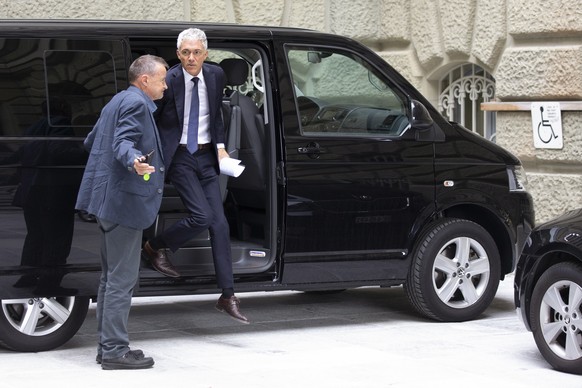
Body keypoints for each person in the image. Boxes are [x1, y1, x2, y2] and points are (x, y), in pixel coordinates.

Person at [142, 28, 249, 324]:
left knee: (220, 225)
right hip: (178, 157)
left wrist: (221, 147)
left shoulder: (215, 76)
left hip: (207, 157)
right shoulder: (169, 79)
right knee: (201, 217)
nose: (191, 58)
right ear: (178, 54)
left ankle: (228, 296)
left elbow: (214, 114)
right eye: (186, 52)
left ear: (206, 53)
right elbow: (150, 115)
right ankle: (153, 246)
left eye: (197, 52)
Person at [75, 54, 168, 370]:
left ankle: (107, 347)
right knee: (120, 280)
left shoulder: (117, 100)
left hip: (107, 202)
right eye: (162, 79)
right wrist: (133, 161)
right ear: (145, 80)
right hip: (123, 204)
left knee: (109, 278)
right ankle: (115, 351)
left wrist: (123, 158)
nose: (165, 85)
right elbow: (123, 142)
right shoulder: (136, 104)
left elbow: (93, 142)